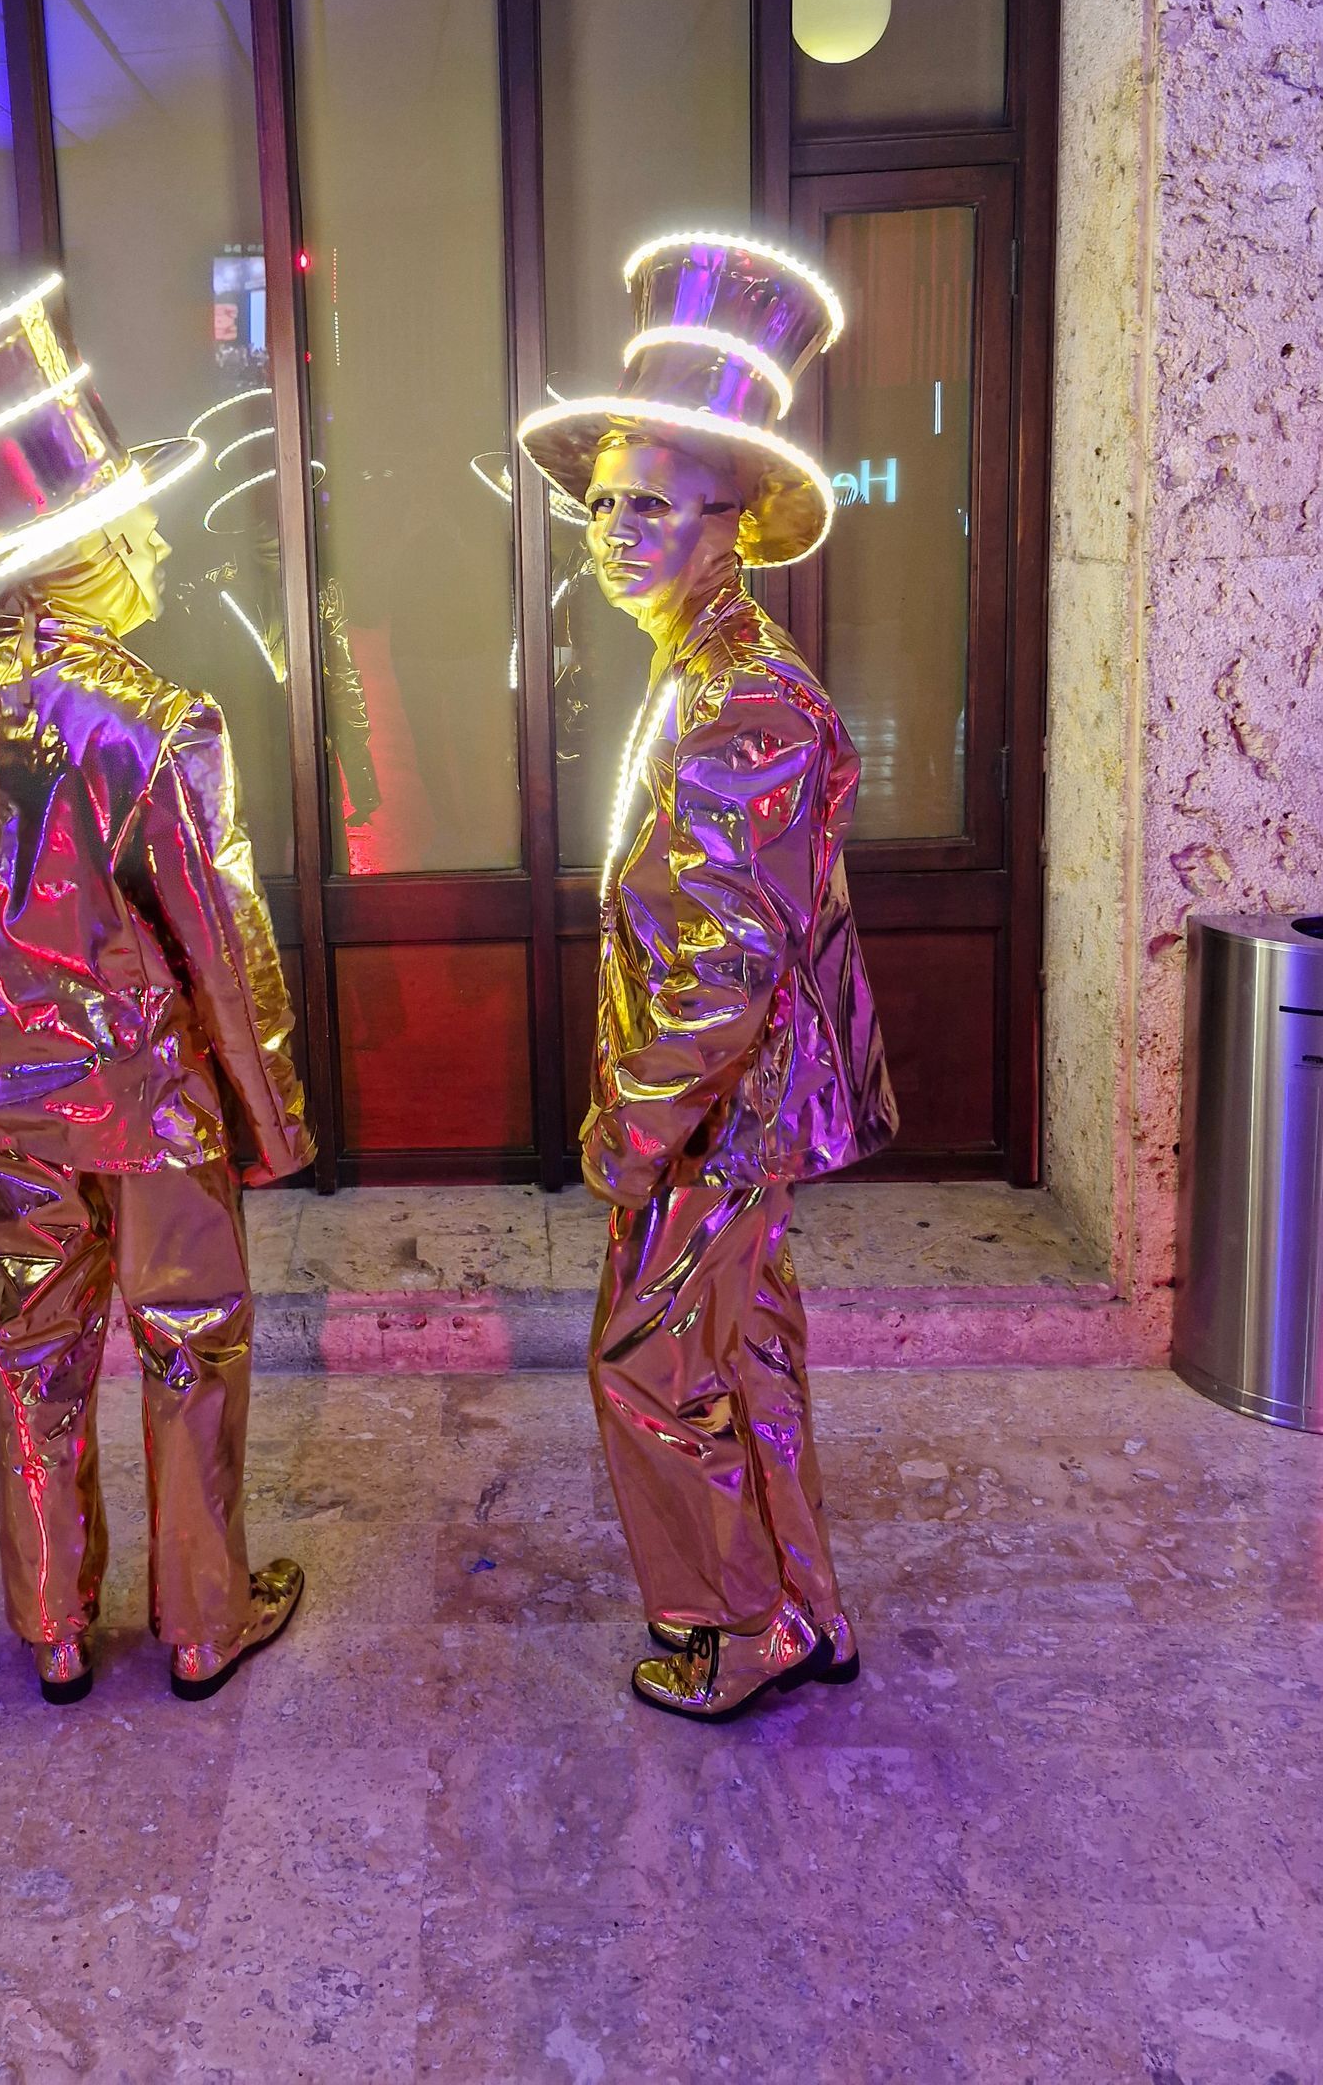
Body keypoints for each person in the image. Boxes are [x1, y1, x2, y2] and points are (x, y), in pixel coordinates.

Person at [0, 273, 312, 1706]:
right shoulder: (156, 726)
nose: (158, 538)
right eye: (136, 520)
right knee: (186, 1344)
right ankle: (199, 1622)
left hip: (13, 1101)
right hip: (150, 1095)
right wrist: (272, 1119)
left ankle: (54, 1626)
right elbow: (220, 948)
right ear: (92, 546)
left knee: (34, 1346)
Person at [516, 230, 898, 1722]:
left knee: (652, 1373)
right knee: (750, 1364)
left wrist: (633, 1131)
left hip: (711, 1120)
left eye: (654, 506)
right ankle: (805, 1604)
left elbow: (725, 971)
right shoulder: (701, 668)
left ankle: (740, 1636)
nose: (613, 529)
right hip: (726, 1119)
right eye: (603, 501)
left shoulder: (744, 701)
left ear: (732, 522)